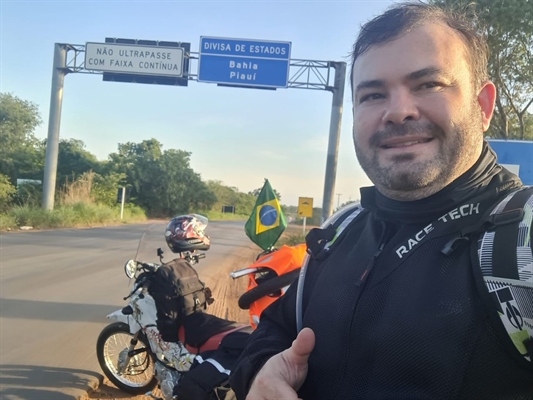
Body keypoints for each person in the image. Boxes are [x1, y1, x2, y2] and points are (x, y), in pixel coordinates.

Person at [229, 2, 533, 399]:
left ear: (483, 105)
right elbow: (275, 327)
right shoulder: (343, 229)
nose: (398, 112)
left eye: (428, 84)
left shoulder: (522, 242)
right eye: (373, 94)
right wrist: (260, 372)